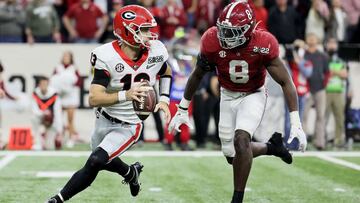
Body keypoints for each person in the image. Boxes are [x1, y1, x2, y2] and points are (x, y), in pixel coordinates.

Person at [168, 2, 307, 203]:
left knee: (241, 140)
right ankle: (272, 147)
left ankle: (237, 199)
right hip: (227, 94)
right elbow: (197, 74)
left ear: (249, 29)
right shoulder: (211, 39)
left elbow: (286, 81)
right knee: (232, 157)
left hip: (253, 94)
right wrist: (182, 108)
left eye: (233, 32)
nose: (225, 36)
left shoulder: (263, 42)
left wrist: (296, 122)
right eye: (224, 30)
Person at [47, 5, 171, 203]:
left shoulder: (156, 51)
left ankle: (57, 199)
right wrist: (126, 95)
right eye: (144, 30)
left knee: (96, 160)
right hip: (103, 118)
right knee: (104, 158)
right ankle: (131, 173)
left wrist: (164, 98)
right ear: (127, 32)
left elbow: (165, 71)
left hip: (130, 124)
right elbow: (94, 98)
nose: (150, 34)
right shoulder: (106, 55)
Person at [50, 51, 82, 148]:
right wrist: (59, 87)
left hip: (71, 96)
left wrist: (68, 86)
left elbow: (79, 82)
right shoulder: (57, 68)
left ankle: (71, 138)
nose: (65, 58)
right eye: (64, 56)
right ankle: (60, 138)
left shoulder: (74, 68)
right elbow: (52, 80)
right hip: (60, 96)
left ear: (71, 58)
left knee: (70, 119)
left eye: (67, 56)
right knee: (59, 119)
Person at [31, 76, 62, 150]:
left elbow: (58, 112)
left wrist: (59, 131)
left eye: (45, 84)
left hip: (52, 121)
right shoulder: (35, 93)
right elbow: (34, 110)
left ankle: (47, 137)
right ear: (38, 85)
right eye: (42, 84)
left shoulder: (54, 94)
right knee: (33, 118)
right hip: (41, 118)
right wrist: (44, 114)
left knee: (50, 147)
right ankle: (37, 141)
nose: (44, 86)